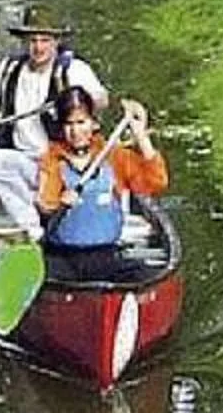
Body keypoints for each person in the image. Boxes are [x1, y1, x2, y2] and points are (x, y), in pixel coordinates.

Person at [0, 5, 110, 240]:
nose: (38, 47)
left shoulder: (73, 70)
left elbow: (100, 101)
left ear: (56, 41)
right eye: (33, 40)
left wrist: (75, 100)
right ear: (25, 42)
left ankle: (68, 212)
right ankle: (32, 227)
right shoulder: (8, 70)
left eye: (45, 40)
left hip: (64, 163)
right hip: (25, 163)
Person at [35, 88, 167, 279]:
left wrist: (141, 137)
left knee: (147, 275)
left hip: (107, 254)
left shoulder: (113, 156)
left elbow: (156, 182)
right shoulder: (52, 160)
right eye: (68, 124)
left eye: (81, 122)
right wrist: (61, 202)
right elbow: (46, 205)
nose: (75, 131)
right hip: (64, 257)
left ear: (94, 124)